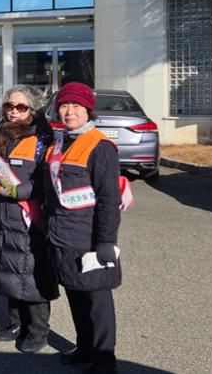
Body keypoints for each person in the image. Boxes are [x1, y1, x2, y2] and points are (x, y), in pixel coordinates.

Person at [46, 82, 122, 374]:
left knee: (97, 299)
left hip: (88, 237)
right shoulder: (60, 142)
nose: (70, 112)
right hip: (62, 234)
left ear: (88, 110)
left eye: (76, 106)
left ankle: (104, 360)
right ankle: (85, 347)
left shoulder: (100, 146)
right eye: (64, 106)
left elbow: (108, 198)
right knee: (75, 292)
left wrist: (105, 241)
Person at [0, 85, 59, 353]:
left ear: (33, 109)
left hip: (29, 214)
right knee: (8, 269)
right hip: (3, 212)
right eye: (9, 105)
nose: (13, 111)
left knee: (32, 272)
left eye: (21, 106)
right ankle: (15, 323)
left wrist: (19, 191)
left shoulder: (43, 137)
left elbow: (47, 180)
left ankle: (38, 330)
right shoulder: (1, 133)